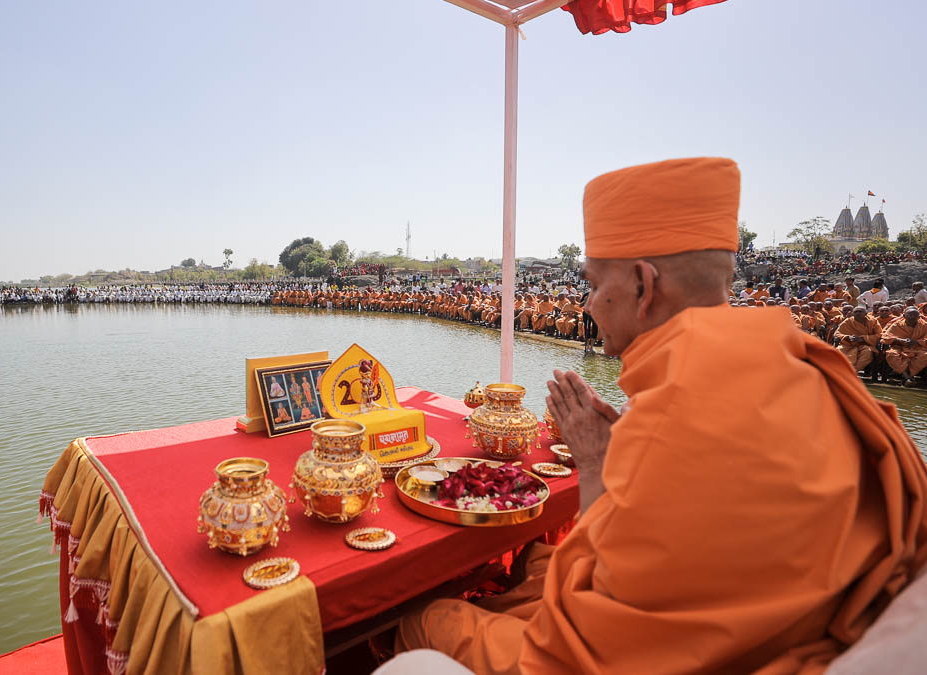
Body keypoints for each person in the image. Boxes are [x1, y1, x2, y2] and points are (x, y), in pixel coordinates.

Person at [395, 157, 927, 673]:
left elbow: (589, 633)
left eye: (594, 285)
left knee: (426, 620)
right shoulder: (808, 360)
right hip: (790, 629)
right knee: (534, 569)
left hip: (684, 654)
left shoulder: (674, 414)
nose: (587, 306)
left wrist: (598, 466)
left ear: (644, 287)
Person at [882, 307, 927, 385]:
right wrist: (900, 340)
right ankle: (907, 377)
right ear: (904, 316)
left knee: (924, 356)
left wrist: (917, 342)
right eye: (909, 315)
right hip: (899, 347)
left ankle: (910, 376)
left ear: (919, 317)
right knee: (892, 354)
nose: (912, 317)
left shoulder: (924, 325)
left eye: (915, 315)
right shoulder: (897, 324)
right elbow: (887, 336)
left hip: (917, 347)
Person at [836, 306, 882, 375]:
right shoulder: (848, 321)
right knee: (839, 351)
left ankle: (852, 371)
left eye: (860, 311)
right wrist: (848, 337)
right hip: (848, 344)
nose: (858, 313)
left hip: (865, 344)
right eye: (856, 312)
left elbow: (879, 334)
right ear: (852, 313)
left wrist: (863, 338)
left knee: (867, 353)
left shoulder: (873, 321)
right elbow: (837, 333)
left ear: (866, 313)